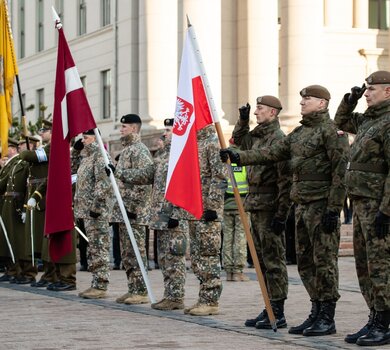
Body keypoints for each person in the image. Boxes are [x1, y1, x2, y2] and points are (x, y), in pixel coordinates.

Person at [220, 85, 350, 336]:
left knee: (323, 263)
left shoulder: (332, 131)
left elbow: (340, 172)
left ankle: (327, 316)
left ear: (322, 104)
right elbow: (272, 153)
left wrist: (334, 209)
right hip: (302, 205)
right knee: (305, 264)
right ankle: (315, 311)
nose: (301, 103)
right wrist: (239, 158)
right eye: (302, 99)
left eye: (307, 99)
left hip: (321, 205)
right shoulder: (299, 132)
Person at [334, 70, 390, 346]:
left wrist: (386, 211)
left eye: (371, 90)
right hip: (360, 203)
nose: (366, 94)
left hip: (378, 205)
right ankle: (375, 317)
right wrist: (350, 100)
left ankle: (386, 322)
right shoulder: (370, 121)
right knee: (365, 265)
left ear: (388, 91)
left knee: (381, 266)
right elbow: (341, 121)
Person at [231, 96, 291, 329]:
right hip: (255, 204)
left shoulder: (278, 139)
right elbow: (238, 141)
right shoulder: (257, 137)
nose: (256, 112)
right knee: (261, 262)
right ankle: (268, 306)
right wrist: (243, 120)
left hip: (270, 207)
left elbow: (286, 182)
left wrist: (281, 214)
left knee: (274, 261)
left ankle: (278, 310)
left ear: (273, 113)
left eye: (260, 109)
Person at [117, 118, 188, 310]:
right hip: (160, 214)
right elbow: (147, 176)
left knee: (175, 256)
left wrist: (177, 212)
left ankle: (176, 296)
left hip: (174, 216)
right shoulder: (163, 154)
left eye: (169, 130)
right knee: (164, 257)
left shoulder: (182, 154)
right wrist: (120, 173)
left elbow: (186, 186)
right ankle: (169, 295)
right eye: (165, 130)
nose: (164, 133)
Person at [21, 120, 77, 291]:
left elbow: (28, 157)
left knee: (61, 240)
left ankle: (64, 278)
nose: (42, 133)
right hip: (49, 196)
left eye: (45, 130)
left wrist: (25, 152)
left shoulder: (58, 150)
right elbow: (50, 179)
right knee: (48, 242)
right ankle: (53, 275)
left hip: (62, 201)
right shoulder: (55, 151)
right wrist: (35, 195)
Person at [184, 125, 227, 316]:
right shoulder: (194, 143)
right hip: (195, 209)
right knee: (197, 256)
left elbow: (220, 176)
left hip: (208, 211)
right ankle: (203, 297)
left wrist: (213, 207)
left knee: (208, 255)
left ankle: (211, 301)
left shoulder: (211, 143)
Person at [109, 114, 153, 305]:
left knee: (136, 251)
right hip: (124, 209)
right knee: (127, 252)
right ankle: (133, 287)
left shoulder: (139, 150)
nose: (121, 130)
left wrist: (134, 207)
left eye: (124, 127)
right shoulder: (127, 150)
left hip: (134, 210)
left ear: (134, 128)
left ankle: (141, 289)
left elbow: (144, 180)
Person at [74, 129, 112, 299]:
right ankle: (96, 283)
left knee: (99, 247)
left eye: (86, 137)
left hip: (96, 212)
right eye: (82, 137)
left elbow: (103, 183)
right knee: (93, 248)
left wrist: (96, 207)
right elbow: (71, 170)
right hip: (86, 211)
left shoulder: (100, 155)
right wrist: (75, 151)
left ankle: (101, 285)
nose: (83, 140)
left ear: (95, 138)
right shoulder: (86, 157)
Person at [0, 138, 28, 283]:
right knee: (8, 238)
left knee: (17, 239)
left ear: (12, 149)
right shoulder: (14, 163)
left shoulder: (23, 162)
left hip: (17, 203)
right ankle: (12, 269)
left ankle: (23, 271)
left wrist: (24, 207)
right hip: (8, 203)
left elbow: (26, 186)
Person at [222, 138, 250, 282]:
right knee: (240, 237)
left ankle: (228, 272)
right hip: (242, 204)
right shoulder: (244, 156)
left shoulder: (224, 156)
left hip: (226, 203)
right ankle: (238, 272)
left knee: (227, 237)